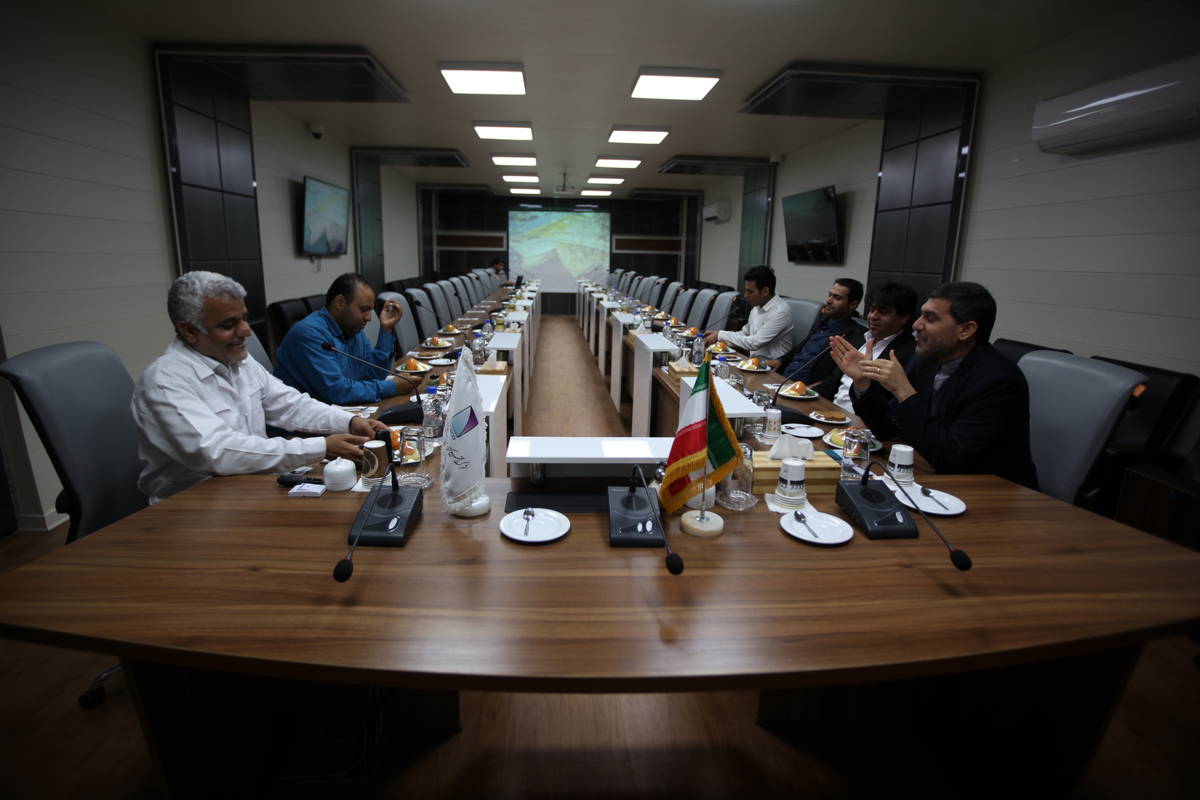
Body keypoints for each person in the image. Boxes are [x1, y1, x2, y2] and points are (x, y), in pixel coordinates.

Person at [131, 271, 388, 502]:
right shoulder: (165, 381)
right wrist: (320, 447)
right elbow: (217, 452)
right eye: (229, 324)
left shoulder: (238, 361)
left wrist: (348, 422)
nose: (246, 331)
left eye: (244, 318)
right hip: (189, 509)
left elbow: (290, 405)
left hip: (248, 489)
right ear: (189, 331)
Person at [830, 281, 1038, 489]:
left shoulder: (998, 381)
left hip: (991, 492)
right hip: (930, 475)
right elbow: (886, 429)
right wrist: (863, 384)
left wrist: (904, 391)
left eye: (930, 318)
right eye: (921, 315)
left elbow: (954, 459)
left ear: (966, 330)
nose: (916, 325)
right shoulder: (924, 362)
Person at [273, 273, 425, 405]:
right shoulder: (309, 333)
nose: (369, 318)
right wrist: (392, 387)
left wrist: (386, 330)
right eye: (364, 310)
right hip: (299, 426)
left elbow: (373, 374)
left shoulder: (352, 330)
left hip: (339, 412)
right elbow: (336, 390)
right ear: (339, 303)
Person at [825, 282, 917, 414]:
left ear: (904, 318)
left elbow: (891, 408)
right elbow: (831, 383)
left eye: (883, 312)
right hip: (830, 412)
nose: (873, 316)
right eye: (872, 310)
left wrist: (863, 383)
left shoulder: (910, 353)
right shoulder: (858, 338)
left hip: (863, 422)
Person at [767, 278, 864, 386]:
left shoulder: (854, 335)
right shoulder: (823, 320)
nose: (829, 300)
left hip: (805, 388)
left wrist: (815, 389)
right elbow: (801, 348)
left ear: (853, 304)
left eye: (837, 298)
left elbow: (837, 376)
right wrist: (780, 361)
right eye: (830, 295)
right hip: (783, 378)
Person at [701, 265, 793, 359]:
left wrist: (720, 335)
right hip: (754, 362)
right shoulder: (757, 307)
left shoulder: (780, 312)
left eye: (750, 292)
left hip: (772, 366)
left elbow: (755, 343)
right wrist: (718, 335)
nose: (745, 295)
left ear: (765, 291)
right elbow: (745, 334)